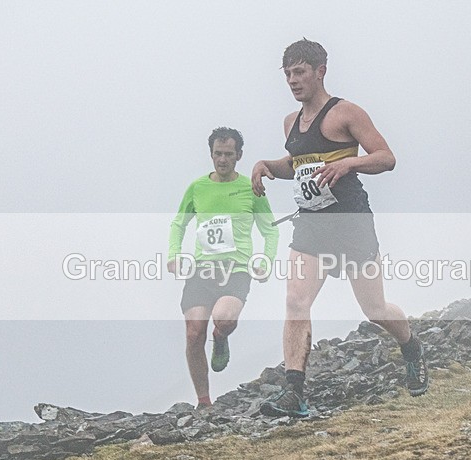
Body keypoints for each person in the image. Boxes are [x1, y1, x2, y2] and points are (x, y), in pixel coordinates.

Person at [251, 39, 428, 418]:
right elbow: (297, 163)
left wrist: (348, 165)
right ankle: (294, 393)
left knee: (374, 308)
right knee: (296, 300)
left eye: (300, 72)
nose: (293, 81)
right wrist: (268, 165)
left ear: (320, 72)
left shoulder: (345, 113)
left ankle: (411, 345)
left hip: (351, 221)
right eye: (288, 74)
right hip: (312, 224)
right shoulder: (291, 123)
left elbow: (386, 157)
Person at [168, 127, 279, 408]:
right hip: (202, 270)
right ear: (211, 154)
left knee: (224, 319)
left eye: (229, 154)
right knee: (194, 334)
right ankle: (204, 402)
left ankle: (221, 337)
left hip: (237, 268)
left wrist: (266, 259)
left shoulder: (251, 188)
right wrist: (174, 254)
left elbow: (270, 230)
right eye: (218, 154)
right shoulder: (197, 187)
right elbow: (179, 223)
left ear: (239, 156)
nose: (222, 160)